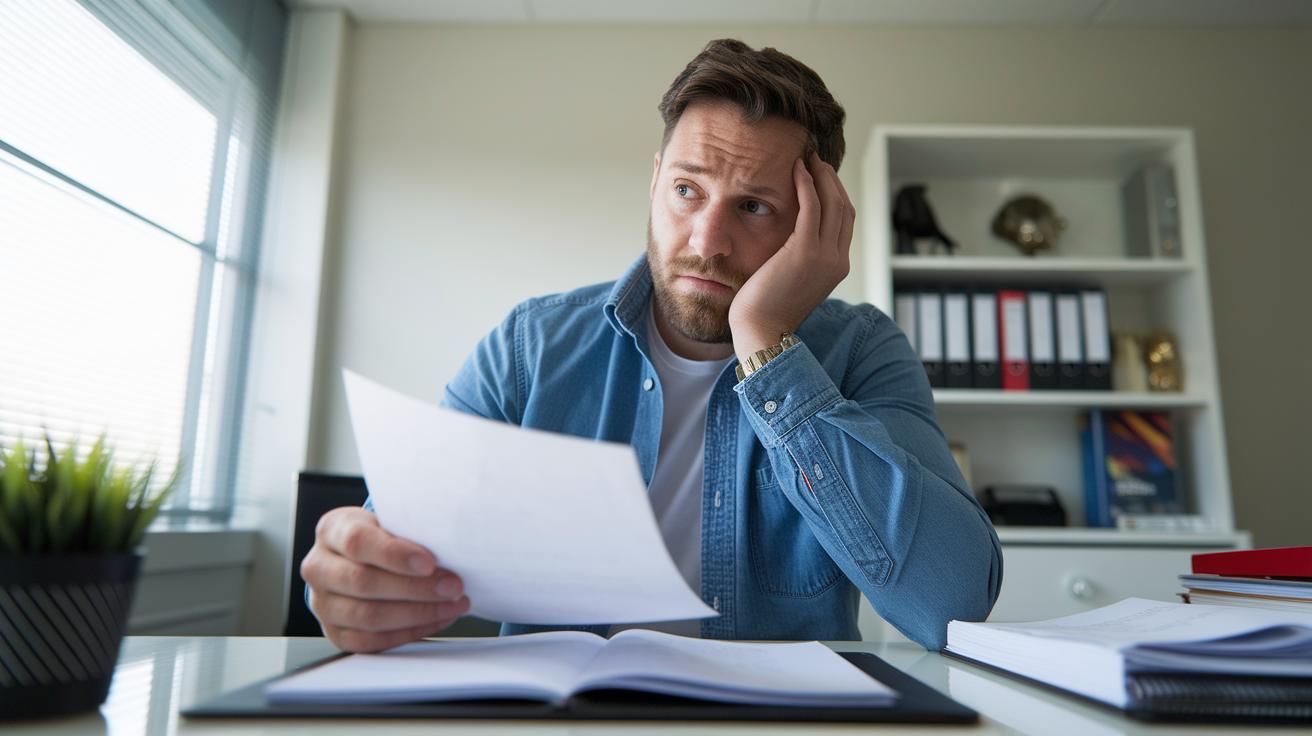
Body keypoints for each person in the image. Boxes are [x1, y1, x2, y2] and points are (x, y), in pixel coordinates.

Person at [301, 39, 1002, 654]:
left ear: (816, 222)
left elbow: (952, 603)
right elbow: (385, 548)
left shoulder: (862, 352)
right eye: (687, 190)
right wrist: (353, 581)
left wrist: (766, 345)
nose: (706, 241)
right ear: (656, 179)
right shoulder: (530, 347)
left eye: (754, 207)